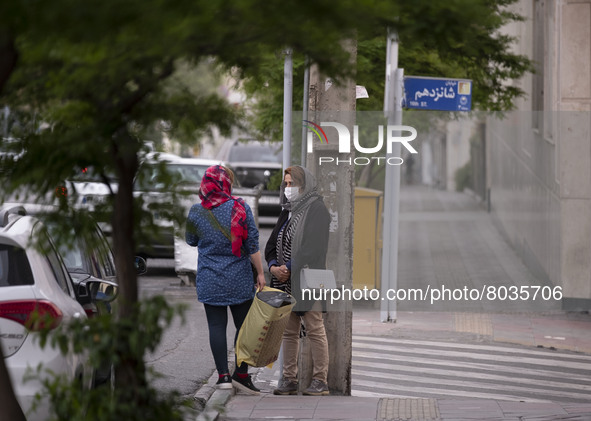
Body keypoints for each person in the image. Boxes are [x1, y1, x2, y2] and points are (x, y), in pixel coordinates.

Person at [185, 165, 265, 394]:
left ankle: (223, 377)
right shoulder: (241, 207)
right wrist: (260, 273)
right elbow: (252, 245)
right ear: (227, 183)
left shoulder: (196, 211)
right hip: (239, 279)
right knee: (245, 327)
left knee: (216, 326)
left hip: (210, 278)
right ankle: (241, 374)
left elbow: (190, 240)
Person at [265, 165, 331, 396]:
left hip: (309, 278)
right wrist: (274, 267)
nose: (289, 188)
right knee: (289, 331)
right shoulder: (287, 210)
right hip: (285, 280)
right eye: (286, 184)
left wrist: (289, 267)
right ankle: (289, 379)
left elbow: (313, 247)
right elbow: (271, 244)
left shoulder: (317, 209)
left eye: (293, 184)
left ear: (305, 185)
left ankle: (320, 381)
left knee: (314, 328)